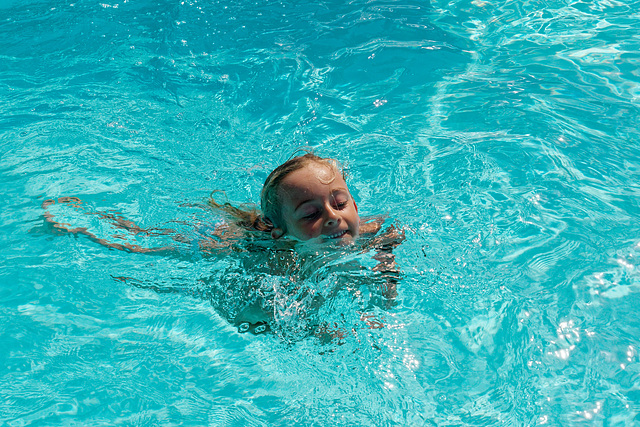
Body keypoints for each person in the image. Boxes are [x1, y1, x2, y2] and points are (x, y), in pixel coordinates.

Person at [41, 152, 404, 338]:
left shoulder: (368, 233)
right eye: (309, 214)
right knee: (155, 248)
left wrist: (385, 267)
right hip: (239, 242)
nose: (331, 217)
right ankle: (92, 224)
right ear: (282, 230)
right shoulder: (275, 254)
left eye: (340, 202)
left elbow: (391, 231)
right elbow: (286, 319)